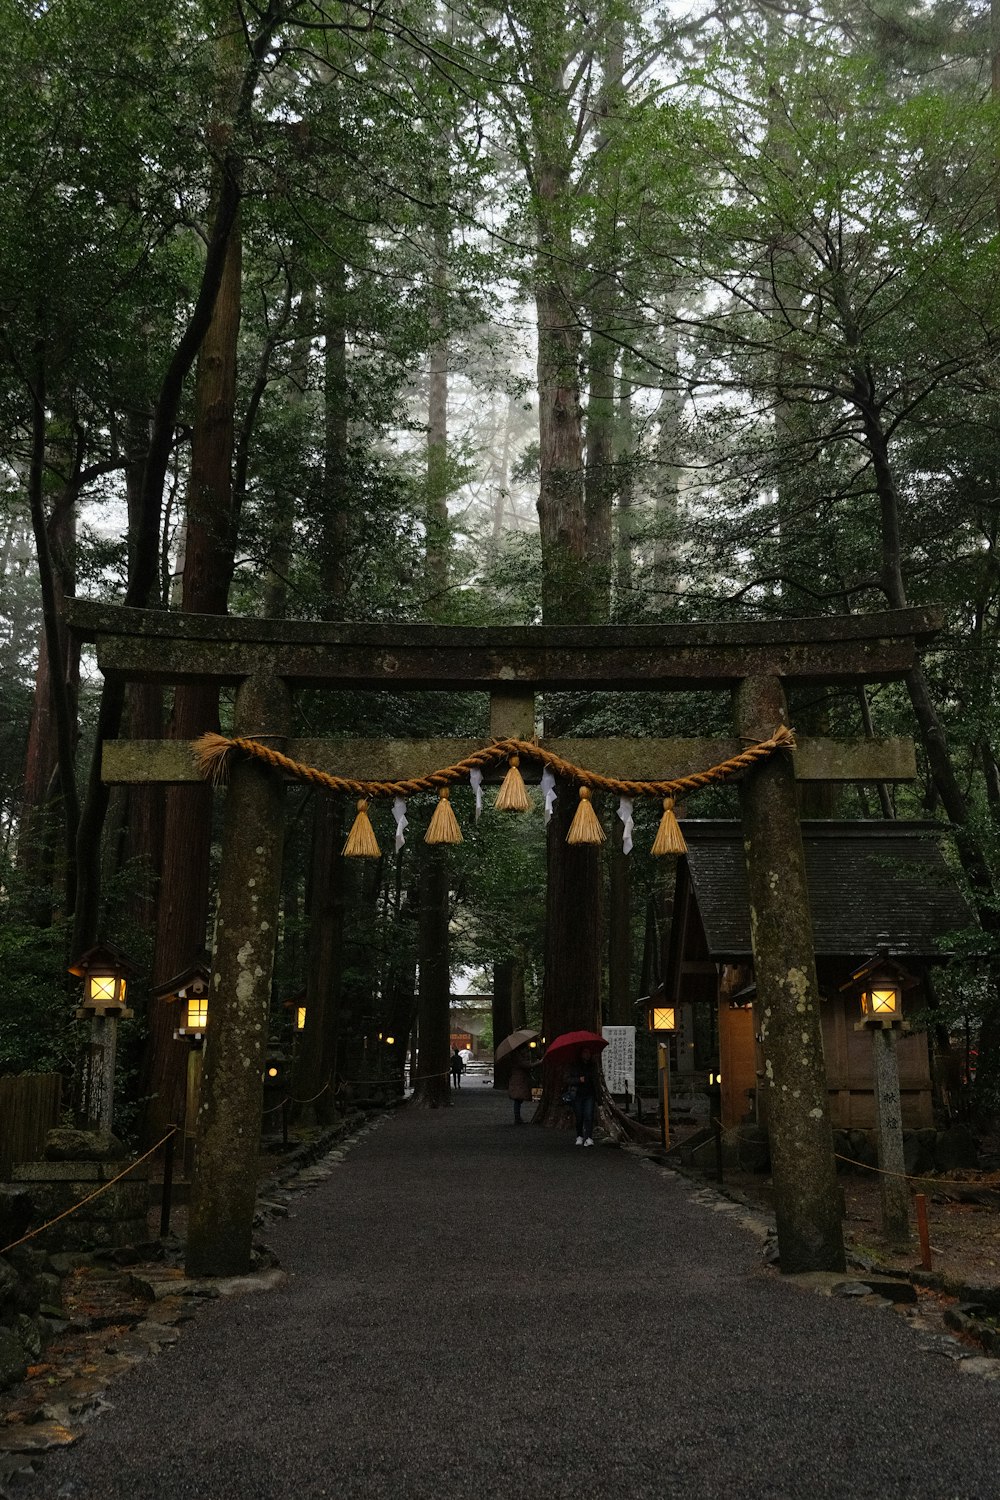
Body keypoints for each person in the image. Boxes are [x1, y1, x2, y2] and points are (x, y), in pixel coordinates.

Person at [567, 1046, 599, 1146]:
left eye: (589, 1053)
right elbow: (567, 1079)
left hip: (590, 1093)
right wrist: (578, 1080)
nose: (587, 1055)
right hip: (577, 1094)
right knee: (579, 1116)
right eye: (585, 1052)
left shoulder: (593, 1066)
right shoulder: (574, 1065)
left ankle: (589, 1137)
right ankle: (579, 1135)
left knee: (589, 1115)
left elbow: (596, 1080)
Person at [508, 1044, 535, 1124]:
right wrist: (539, 1062)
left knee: (519, 1099)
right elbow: (526, 1065)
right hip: (518, 1080)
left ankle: (518, 1117)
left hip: (519, 1079)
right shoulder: (518, 1058)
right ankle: (517, 1118)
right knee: (518, 1099)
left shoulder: (517, 1057)